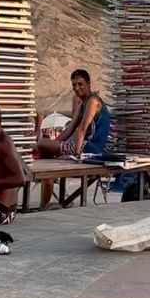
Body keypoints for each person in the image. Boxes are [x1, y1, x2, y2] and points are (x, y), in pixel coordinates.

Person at [33, 69, 110, 207]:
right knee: (46, 158)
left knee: (41, 144)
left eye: (80, 84)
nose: (77, 88)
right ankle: (44, 203)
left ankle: (44, 201)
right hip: (82, 144)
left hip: (90, 147)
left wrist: (76, 153)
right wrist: (53, 144)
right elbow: (70, 129)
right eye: (74, 85)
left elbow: (82, 129)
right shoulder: (83, 104)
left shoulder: (93, 101)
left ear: (88, 83)